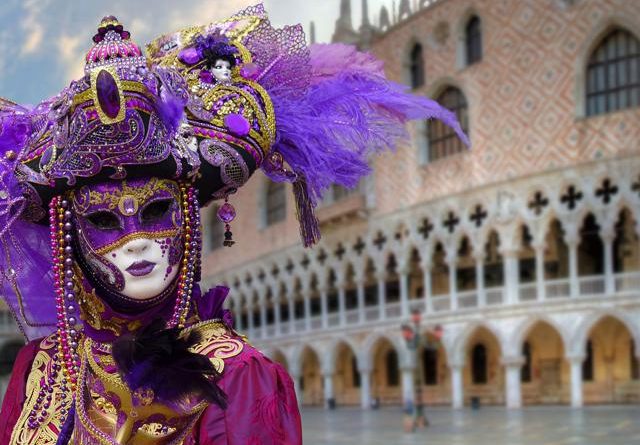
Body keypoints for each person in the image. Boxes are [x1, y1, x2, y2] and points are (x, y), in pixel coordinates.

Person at [0, 4, 467, 444]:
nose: (136, 241)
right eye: (102, 220)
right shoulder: (41, 370)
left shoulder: (239, 376)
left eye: (157, 211)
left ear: (186, 217)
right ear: (69, 234)